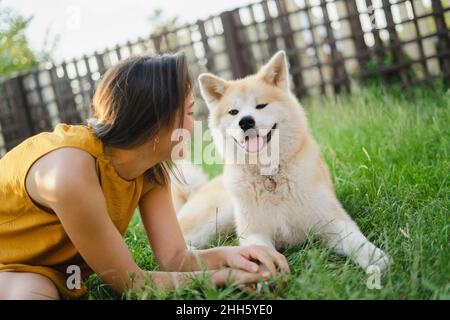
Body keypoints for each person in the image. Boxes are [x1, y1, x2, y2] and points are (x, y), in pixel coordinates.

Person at [0, 53, 289, 300]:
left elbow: (174, 257)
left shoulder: (151, 169)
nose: (194, 124)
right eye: (188, 112)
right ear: (154, 120)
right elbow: (130, 283)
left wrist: (233, 255)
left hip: (57, 272)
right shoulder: (70, 173)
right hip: (8, 263)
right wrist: (224, 277)